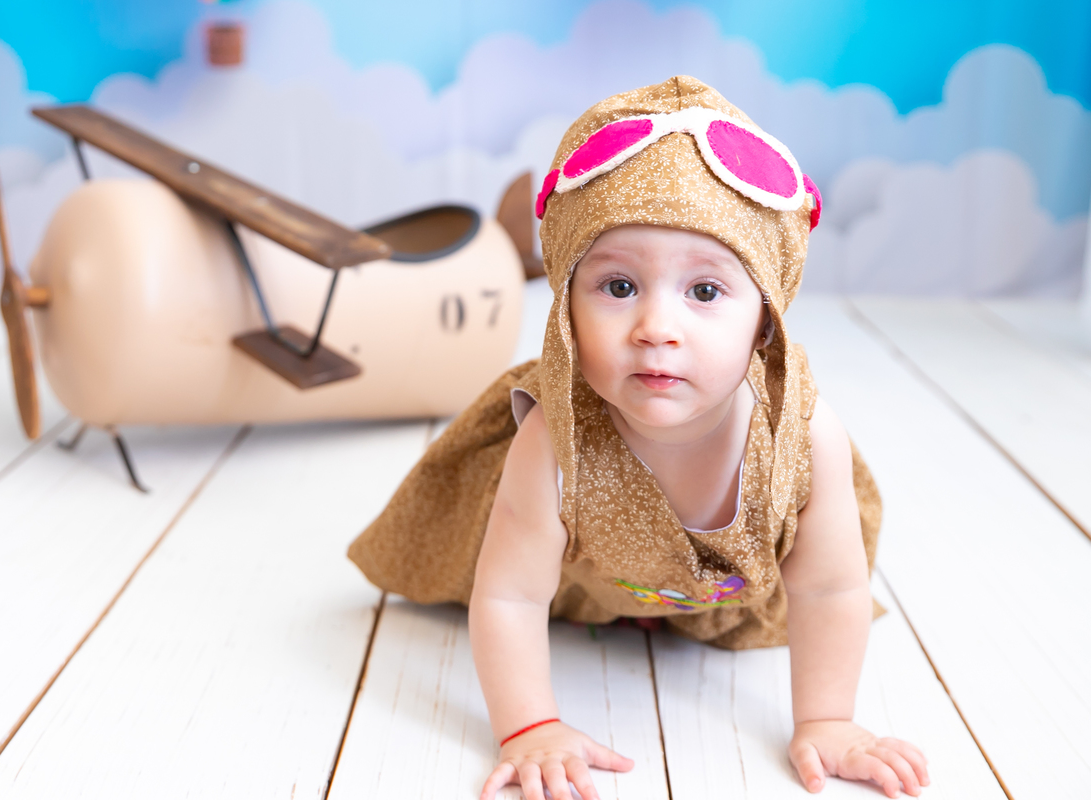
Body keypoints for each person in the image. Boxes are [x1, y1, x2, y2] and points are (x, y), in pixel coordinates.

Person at [348, 76, 929, 800]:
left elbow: (830, 587)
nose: (656, 328)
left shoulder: (803, 437)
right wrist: (529, 727)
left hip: (728, 599)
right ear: (566, 306)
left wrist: (827, 720)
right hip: (584, 586)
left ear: (766, 319)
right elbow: (511, 598)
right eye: (618, 287)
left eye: (705, 292)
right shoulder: (554, 440)